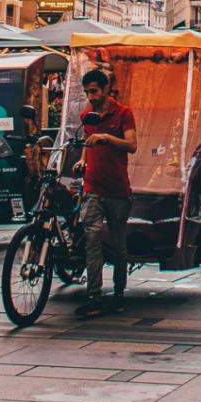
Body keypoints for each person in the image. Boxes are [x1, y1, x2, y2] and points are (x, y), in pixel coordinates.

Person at [72, 69, 138, 318]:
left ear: (106, 89)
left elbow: (132, 145)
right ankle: (94, 296)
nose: (91, 97)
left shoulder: (123, 114)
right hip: (93, 188)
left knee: (119, 244)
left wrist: (107, 138)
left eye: (94, 91)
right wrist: (81, 160)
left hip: (117, 189)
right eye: (88, 92)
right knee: (92, 241)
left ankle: (119, 294)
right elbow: (88, 144)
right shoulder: (86, 116)